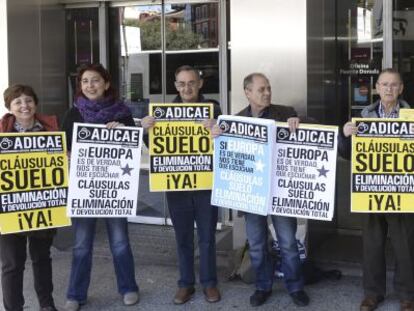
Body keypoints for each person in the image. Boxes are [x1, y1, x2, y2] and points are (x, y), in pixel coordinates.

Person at [141, 65, 221, 304]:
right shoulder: (163, 113)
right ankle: (186, 284)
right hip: (177, 186)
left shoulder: (213, 109)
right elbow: (152, 145)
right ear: (176, 86)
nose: (187, 88)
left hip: (206, 184)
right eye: (182, 84)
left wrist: (218, 128)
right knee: (183, 237)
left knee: (207, 237)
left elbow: (224, 138)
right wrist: (145, 129)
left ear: (200, 84)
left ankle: (209, 283)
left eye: (191, 83)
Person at [62, 64, 139, 311]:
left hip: (114, 191)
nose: (90, 85)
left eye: (95, 80)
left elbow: (134, 148)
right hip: (84, 189)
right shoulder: (72, 114)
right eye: (85, 81)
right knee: (82, 244)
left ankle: (128, 288)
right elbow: (64, 150)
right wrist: (69, 155)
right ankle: (75, 294)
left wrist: (124, 132)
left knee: (120, 242)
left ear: (106, 84)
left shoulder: (122, 113)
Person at [230, 73, 309, 307]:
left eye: (268, 88)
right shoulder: (236, 120)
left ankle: (295, 287)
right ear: (247, 92)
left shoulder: (285, 112)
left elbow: (311, 121)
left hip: (280, 191)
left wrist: (300, 121)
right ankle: (262, 286)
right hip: (252, 193)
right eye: (261, 89)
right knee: (256, 243)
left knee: (287, 242)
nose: (267, 93)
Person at [339, 68, 414, 311]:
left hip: (401, 191)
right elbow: (349, 155)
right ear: (377, 88)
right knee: (372, 245)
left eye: (394, 85)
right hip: (371, 191)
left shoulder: (411, 117)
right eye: (384, 84)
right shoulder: (364, 115)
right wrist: (346, 135)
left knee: (406, 246)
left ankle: (407, 294)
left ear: (401, 88)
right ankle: (373, 293)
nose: (389, 89)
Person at [0, 84, 58, 311]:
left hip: (43, 206)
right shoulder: (1, 134)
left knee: (42, 259)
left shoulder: (50, 130)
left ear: (35, 103)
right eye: (18, 102)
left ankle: (47, 305)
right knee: (12, 265)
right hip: (10, 208)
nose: (24, 106)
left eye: (28, 101)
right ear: (9, 107)